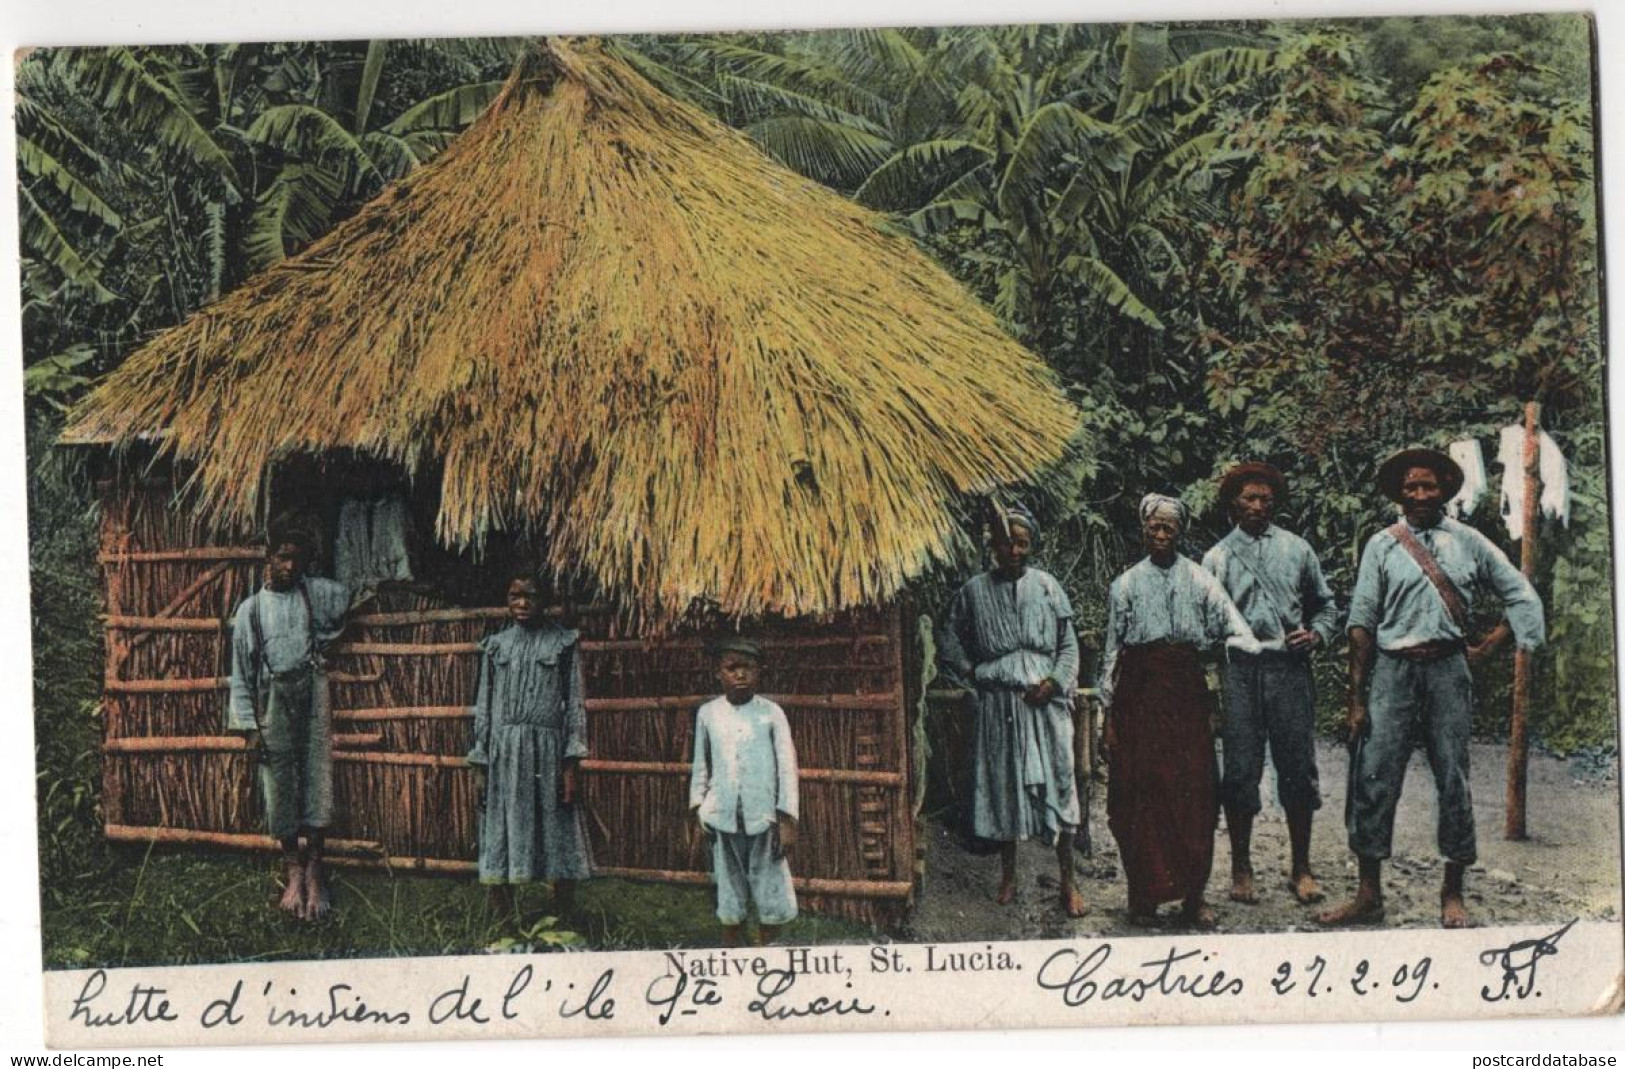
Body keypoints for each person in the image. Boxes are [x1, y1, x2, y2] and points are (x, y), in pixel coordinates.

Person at [1319, 448, 1544, 929]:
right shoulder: (1382, 545)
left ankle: (1453, 892)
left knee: (1453, 779)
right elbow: (1361, 623)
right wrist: (1357, 699)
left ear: (1444, 489)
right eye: (1411, 487)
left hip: (1447, 671)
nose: (1420, 495)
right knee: (1374, 777)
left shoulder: (1470, 542)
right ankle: (1368, 895)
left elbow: (1520, 592)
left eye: (1429, 486)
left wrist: (1491, 645)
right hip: (1392, 671)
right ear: (1399, 493)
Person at [1100, 494, 1259, 928]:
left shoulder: (1201, 580)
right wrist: (1108, 713)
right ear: (1143, 529)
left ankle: (1194, 897)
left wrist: (1215, 684)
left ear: (1180, 532)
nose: (1161, 534)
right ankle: (1144, 897)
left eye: (1169, 527)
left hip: (1186, 694)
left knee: (1194, 796)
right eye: (1154, 526)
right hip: (1139, 695)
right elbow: (1113, 650)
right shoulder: (1127, 584)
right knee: (1140, 794)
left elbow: (1238, 631)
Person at [938, 507, 1088, 917]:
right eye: (1007, 542)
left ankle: (1068, 883)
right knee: (1004, 787)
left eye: (1022, 543)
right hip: (1000, 703)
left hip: (1045, 702)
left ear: (1032, 545)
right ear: (994, 545)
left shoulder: (1047, 587)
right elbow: (948, 638)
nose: (1014, 551)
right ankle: (1009, 876)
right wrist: (975, 673)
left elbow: (1068, 646)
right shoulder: (974, 591)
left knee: (1059, 785)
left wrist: (1055, 682)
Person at [1202, 463, 1339, 906]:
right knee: (1241, 771)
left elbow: (1325, 607)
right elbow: (1205, 626)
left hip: (1288, 669)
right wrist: (1213, 684)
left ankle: (1301, 866)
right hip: (1240, 670)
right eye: (1249, 499)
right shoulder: (1217, 558)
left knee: (1298, 769)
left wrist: (1315, 634)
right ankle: (1241, 867)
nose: (1257, 506)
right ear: (1233, 504)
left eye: (1265, 499)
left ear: (1275, 504)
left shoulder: (1298, 551)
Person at [227, 523, 352, 921]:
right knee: (278, 783)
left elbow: (349, 595)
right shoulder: (251, 611)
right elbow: (241, 675)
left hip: (312, 690)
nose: (289, 565)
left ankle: (316, 868)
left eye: (297, 558)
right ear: (268, 558)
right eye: (282, 556)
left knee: (317, 776)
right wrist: (249, 727)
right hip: (273, 700)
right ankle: (293, 870)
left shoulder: (313, 593)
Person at [468, 569, 592, 919]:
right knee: (499, 827)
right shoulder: (496, 646)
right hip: (504, 753)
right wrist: (481, 762)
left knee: (557, 829)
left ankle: (562, 914)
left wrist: (571, 763)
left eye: (531, 596)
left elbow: (575, 704)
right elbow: (485, 705)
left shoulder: (563, 643)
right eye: (514, 596)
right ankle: (503, 917)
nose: (522, 604)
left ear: (545, 601)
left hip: (549, 753)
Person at [690, 638, 799, 946]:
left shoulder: (771, 713)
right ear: (718, 673)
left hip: (764, 819)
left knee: (771, 890)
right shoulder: (708, 714)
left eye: (747, 668)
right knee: (729, 891)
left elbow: (787, 767)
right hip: (722, 817)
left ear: (759, 671)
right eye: (732, 668)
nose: (740, 675)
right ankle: (733, 953)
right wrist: (698, 807)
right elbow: (701, 764)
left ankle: (769, 953)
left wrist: (787, 817)